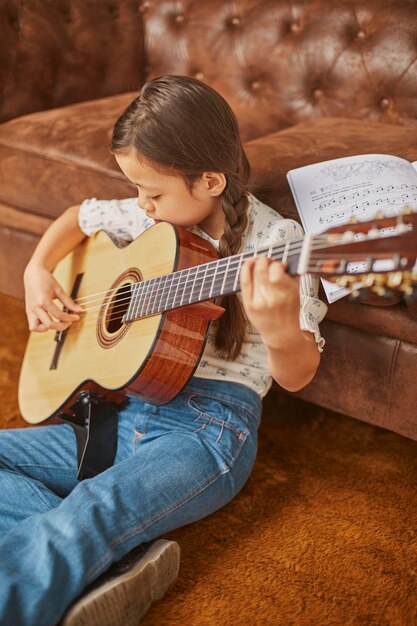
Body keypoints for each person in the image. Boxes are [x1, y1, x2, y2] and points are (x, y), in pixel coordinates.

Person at [0, 75, 327, 625]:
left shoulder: (280, 245)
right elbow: (78, 217)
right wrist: (36, 270)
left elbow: (298, 375)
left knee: (89, 513)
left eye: (152, 193)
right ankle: (119, 567)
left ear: (209, 181)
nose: (141, 206)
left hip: (208, 431)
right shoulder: (151, 217)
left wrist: (277, 327)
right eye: (136, 191)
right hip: (123, 411)